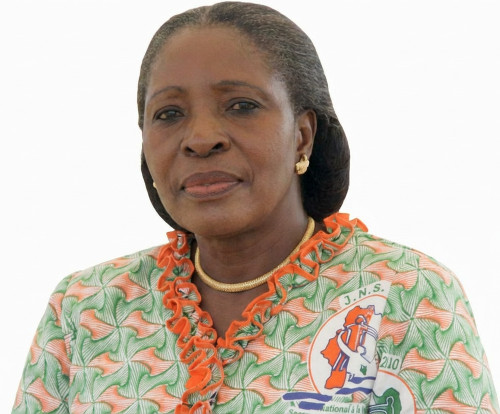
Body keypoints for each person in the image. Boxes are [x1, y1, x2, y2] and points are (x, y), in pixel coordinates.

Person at [12, 2, 498, 413]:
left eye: (241, 105)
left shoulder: (405, 296)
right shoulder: (86, 307)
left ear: (302, 136)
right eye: (169, 114)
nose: (201, 138)